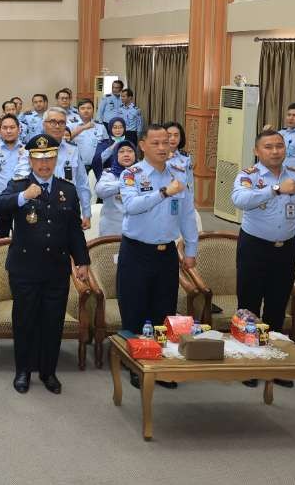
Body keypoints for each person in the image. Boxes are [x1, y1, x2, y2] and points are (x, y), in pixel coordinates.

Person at [0, 134, 90, 394]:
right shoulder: (18, 185)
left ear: (56, 159)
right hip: (24, 268)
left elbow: (74, 230)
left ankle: (48, 372)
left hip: (56, 269)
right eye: (38, 158)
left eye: (48, 158)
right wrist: (23, 196)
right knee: (24, 320)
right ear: (30, 159)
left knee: (52, 322)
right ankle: (23, 371)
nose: (44, 164)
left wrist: (82, 260)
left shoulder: (66, 189)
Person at [230, 129, 295, 388]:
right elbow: (239, 200)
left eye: (279, 146)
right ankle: (248, 363)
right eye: (269, 147)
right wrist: (275, 189)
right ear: (257, 151)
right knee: (249, 305)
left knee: (277, 306)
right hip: (254, 247)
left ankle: (273, 363)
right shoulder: (249, 175)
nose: (275, 151)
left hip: (285, 249)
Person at [118, 124, 198, 389]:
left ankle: (160, 365)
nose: (163, 148)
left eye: (166, 142)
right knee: (135, 310)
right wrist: (163, 192)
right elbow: (131, 206)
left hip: (167, 254)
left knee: (164, 309)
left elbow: (187, 213)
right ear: (142, 145)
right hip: (137, 252)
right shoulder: (132, 174)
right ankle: (135, 365)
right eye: (156, 143)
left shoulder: (179, 173)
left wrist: (191, 250)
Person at [41, 108, 91, 229]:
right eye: (52, 122)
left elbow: (82, 183)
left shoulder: (73, 149)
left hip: (70, 208)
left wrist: (86, 213)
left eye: (61, 122)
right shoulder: (32, 150)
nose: (57, 126)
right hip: (42, 209)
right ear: (44, 124)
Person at [0, 114, 30, 238]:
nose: (8, 131)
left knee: (23, 240)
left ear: (19, 129)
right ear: (0, 130)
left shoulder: (27, 151)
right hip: (0, 203)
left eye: (12, 127)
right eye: (5, 128)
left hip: (22, 202)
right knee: (0, 241)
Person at [94, 142, 137, 237]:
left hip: (137, 231)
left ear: (135, 155)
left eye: (130, 151)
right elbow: (100, 191)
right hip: (113, 230)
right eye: (121, 151)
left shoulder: (142, 174)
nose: (126, 154)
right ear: (116, 155)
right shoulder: (109, 174)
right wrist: (124, 183)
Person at [70, 99, 107, 175]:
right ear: (78, 111)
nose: (86, 111)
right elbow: (65, 139)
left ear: (93, 110)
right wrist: (83, 127)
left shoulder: (100, 126)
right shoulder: (71, 126)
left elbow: (106, 146)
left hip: (96, 166)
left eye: (89, 108)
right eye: (83, 108)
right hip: (77, 166)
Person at [163, 121, 195, 194]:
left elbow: (190, 182)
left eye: (176, 135)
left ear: (180, 138)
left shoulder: (186, 157)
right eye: (169, 135)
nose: (173, 138)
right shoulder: (157, 155)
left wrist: (190, 202)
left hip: (180, 198)